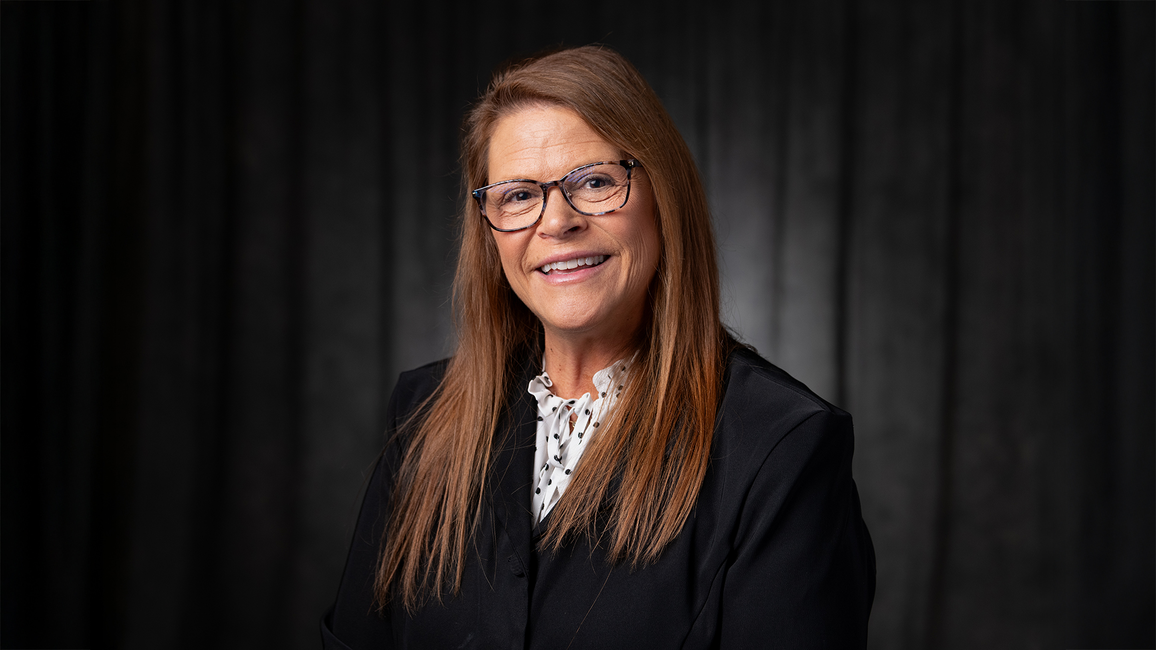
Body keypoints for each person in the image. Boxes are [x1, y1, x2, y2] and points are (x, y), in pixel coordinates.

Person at [323, 45, 875, 649]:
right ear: (488, 232)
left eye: (595, 182)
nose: (555, 222)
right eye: (516, 195)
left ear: (664, 198)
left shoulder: (781, 447)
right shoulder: (423, 413)